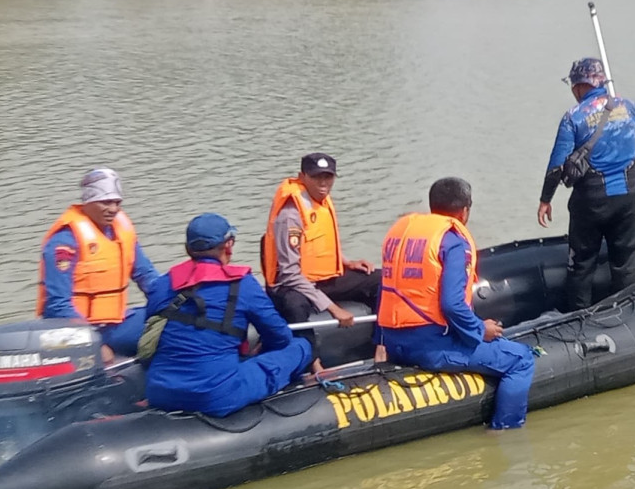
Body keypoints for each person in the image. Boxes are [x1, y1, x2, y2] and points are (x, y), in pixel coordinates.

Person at [376, 178, 535, 430]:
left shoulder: (403, 235)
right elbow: (451, 304)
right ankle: (506, 430)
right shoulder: (452, 242)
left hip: (394, 343)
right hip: (431, 346)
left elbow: (386, 290)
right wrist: (481, 330)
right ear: (464, 211)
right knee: (522, 359)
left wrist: (380, 341)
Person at [143, 214, 313, 416]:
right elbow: (280, 337)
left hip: (160, 392)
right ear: (228, 245)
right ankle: (300, 391)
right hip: (216, 396)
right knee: (301, 346)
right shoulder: (243, 284)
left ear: (188, 249)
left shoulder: (161, 285)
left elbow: (151, 332)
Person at [537, 58, 635, 311]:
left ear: (581, 86)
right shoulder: (628, 106)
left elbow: (556, 166)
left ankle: (579, 317)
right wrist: (624, 112)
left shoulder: (574, 117)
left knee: (581, 266)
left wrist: (545, 200)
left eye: (573, 85)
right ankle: (626, 314)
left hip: (591, 203)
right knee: (625, 264)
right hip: (627, 200)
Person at [262, 154, 380, 356]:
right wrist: (333, 308)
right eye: (316, 177)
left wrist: (347, 262)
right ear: (302, 177)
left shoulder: (321, 201)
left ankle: (380, 344)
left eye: (328, 177)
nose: (323, 183)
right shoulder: (290, 215)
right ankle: (311, 361)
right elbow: (289, 273)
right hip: (292, 283)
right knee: (295, 305)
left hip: (323, 278)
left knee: (380, 278)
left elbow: (318, 244)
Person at [37, 168, 160, 360]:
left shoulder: (122, 230)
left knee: (177, 319)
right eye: (106, 202)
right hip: (78, 330)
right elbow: (57, 304)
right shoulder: (64, 242)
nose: (113, 209)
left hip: (115, 323)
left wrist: (173, 301)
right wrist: (94, 343)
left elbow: (146, 276)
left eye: (117, 202)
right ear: (88, 201)